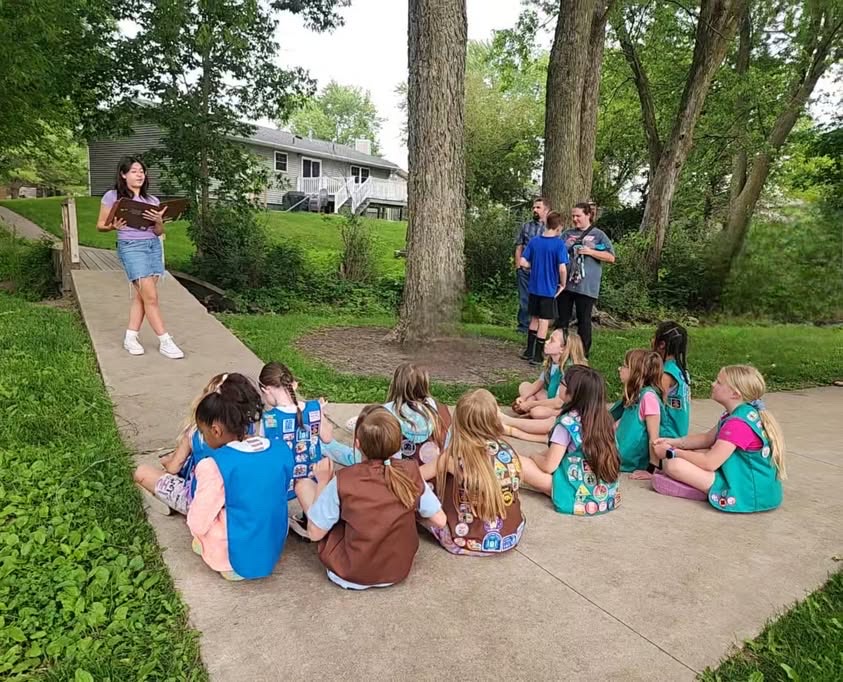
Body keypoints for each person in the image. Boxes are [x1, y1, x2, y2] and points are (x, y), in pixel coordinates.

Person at [296, 407, 447, 589]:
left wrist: (322, 482)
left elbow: (315, 534)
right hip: (397, 570)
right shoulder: (411, 472)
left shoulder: (343, 479)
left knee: (303, 485)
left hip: (349, 572)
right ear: (398, 442)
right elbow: (440, 520)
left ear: (358, 444)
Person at [187, 374, 292, 581]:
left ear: (215, 430)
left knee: (200, 529)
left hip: (231, 557)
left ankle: (222, 560)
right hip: (272, 544)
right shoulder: (281, 450)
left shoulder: (214, 466)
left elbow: (198, 523)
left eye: (202, 431)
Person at [652, 365, 786, 513]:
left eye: (719, 382)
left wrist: (671, 452)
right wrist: (672, 442)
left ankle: (706, 491)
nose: (713, 384)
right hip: (750, 482)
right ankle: (699, 485)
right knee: (695, 452)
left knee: (673, 464)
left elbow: (709, 462)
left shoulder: (737, 424)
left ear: (735, 394)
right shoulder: (742, 412)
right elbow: (706, 439)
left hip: (749, 494)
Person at [96, 156, 183, 359]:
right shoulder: (113, 196)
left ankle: (130, 337)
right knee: (151, 296)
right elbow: (100, 225)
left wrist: (159, 220)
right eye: (134, 171)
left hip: (153, 247)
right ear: (123, 174)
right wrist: (112, 226)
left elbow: (157, 231)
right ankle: (165, 341)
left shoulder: (152, 200)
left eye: (142, 171)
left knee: (142, 296)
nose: (139, 175)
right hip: (131, 247)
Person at [257, 361, 357, 539]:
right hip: (315, 473)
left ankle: (285, 522)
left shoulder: (269, 418)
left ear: (266, 389)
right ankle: (308, 515)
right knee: (307, 481)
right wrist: (321, 414)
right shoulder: (313, 408)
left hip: (285, 477)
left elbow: (264, 451)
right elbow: (327, 438)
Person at [423, 389, 526, 555]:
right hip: (510, 533)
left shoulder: (453, 457)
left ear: (459, 422)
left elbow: (415, 477)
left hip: (466, 540)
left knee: (421, 495)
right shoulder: (507, 450)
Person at [518, 366, 621, 515]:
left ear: (572, 393)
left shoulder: (567, 422)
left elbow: (549, 466)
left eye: (562, 383)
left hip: (575, 493)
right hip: (605, 496)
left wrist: (534, 457)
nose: (559, 385)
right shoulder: (604, 419)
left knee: (515, 460)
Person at [133, 372, 230, 515]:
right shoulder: (243, 431)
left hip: (200, 503)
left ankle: (161, 498)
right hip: (232, 501)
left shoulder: (195, 432)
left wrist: (167, 462)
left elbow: (174, 467)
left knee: (142, 472)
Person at [500, 331, 588, 443]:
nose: (546, 342)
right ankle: (527, 413)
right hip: (554, 400)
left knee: (538, 412)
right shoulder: (552, 362)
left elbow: (559, 402)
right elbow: (539, 382)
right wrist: (525, 398)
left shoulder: (570, 371)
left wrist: (531, 404)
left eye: (551, 340)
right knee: (525, 386)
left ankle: (510, 421)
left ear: (563, 349)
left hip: (566, 408)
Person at [556, 202, 615, 357]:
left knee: (584, 321)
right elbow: (556, 252)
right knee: (562, 320)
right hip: (565, 284)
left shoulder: (599, 235)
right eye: (573, 216)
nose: (575, 219)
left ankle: (582, 354)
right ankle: (559, 350)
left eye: (578, 216)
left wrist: (590, 252)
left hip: (587, 286)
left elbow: (611, 257)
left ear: (588, 215)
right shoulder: (567, 234)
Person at [383, 363, 451, 476]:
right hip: (433, 476)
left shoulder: (384, 413)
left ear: (396, 384)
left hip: (398, 477)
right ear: (425, 384)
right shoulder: (442, 411)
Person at [520, 211, 569, 366]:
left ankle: (528, 350)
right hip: (548, 289)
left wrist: (533, 266)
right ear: (559, 226)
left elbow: (522, 262)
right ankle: (538, 355)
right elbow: (562, 268)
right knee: (544, 321)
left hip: (534, 287)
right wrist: (563, 283)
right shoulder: (559, 244)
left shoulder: (535, 241)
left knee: (534, 318)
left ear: (546, 224)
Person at [610, 349, 664, 474]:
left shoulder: (648, 397)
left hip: (632, 462)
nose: (620, 369)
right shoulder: (635, 395)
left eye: (624, 366)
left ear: (637, 372)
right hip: (619, 456)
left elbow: (654, 438)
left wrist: (651, 470)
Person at [515, 197, 551, 333]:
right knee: (524, 298)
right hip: (525, 270)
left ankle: (538, 328)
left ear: (546, 210)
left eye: (538, 207)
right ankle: (523, 326)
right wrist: (518, 266)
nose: (535, 210)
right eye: (533, 207)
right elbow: (519, 246)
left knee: (539, 300)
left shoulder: (551, 228)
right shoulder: (526, 226)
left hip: (541, 272)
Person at [653, 321, 691, 439]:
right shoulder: (680, 370)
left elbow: (655, 406)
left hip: (666, 433)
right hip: (679, 431)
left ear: (662, 344)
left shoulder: (665, 374)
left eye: (654, 338)